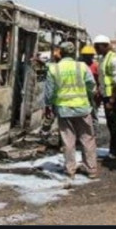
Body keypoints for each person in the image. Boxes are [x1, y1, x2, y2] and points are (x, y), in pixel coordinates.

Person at [45, 42, 98, 180]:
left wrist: (48, 106)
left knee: (68, 141)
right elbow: (91, 85)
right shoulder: (82, 66)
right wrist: (88, 96)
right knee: (87, 139)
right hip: (82, 108)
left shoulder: (54, 69)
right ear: (74, 53)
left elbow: (49, 92)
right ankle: (91, 169)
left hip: (64, 109)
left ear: (61, 53)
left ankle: (70, 170)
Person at [93, 35, 116, 160]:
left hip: (112, 97)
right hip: (106, 95)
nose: (96, 49)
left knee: (114, 125)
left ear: (106, 46)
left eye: (98, 47)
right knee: (111, 124)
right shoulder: (104, 59)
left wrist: (112, 100)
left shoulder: (114, 59)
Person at [80, 45, 101, 136]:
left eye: (89, 55)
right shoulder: (79, 66)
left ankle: (93, 133)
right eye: (85, 55)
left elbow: (101, 80)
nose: (87, 57)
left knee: (93, 114)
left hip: (93, 94)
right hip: (81, 94)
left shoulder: (96, 66)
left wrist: (98, 91)